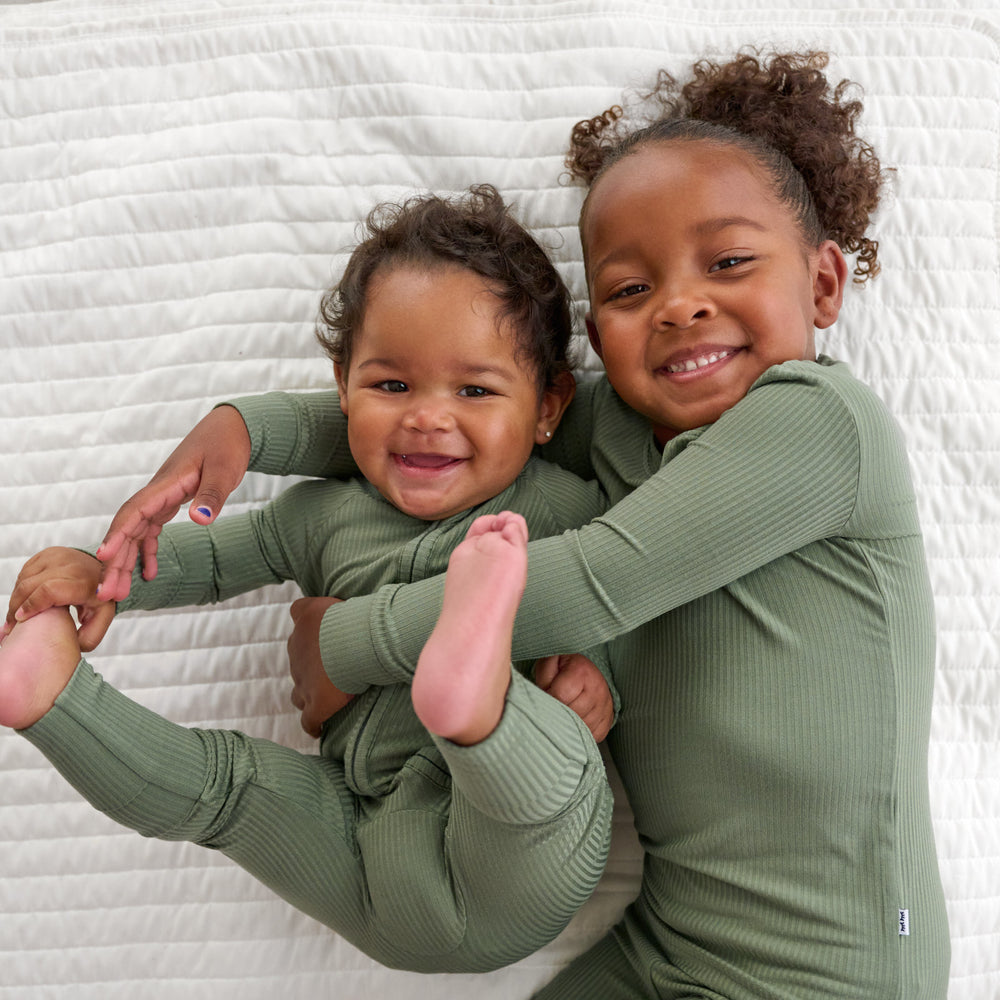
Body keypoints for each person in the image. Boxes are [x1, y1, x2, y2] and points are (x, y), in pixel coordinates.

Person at [22, 49, 951, 998]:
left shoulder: (820, 420)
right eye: (631, 290)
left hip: (836, 966)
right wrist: (244, 428)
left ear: (825, 285)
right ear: (594, 337)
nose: (680, 306)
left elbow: (593, 579)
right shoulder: (624, 431)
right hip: (674, 942)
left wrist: (344, 643)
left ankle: (471, 708)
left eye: (729, 262)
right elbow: (446, 428)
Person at [0, 186, 619, 974]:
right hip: (377, 856)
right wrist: (102, 574)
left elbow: (621, 619)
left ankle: (479, 704)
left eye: (475, 390)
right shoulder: (318, 515)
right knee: (224, 789)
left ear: (548, 408)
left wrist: (603, 683)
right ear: (342, 386)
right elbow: (215, 559)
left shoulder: (562, 511)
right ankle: (49, 700)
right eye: (392, 386)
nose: (428, 417)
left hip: (507, 837)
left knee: (556, 763)